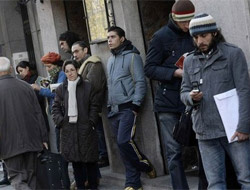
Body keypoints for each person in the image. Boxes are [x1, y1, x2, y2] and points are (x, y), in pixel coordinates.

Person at [181, 13, 250, 189]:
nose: (199, 41)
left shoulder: (233, 54)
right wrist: (190, 98)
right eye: (196, 37)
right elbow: (183, 91)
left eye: (203, 36)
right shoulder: (189, 61)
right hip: (205, 133)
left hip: (234, 131)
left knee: (246, 179)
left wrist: (244, 126)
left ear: (214, 33)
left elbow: (244, 91)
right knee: (215, 183)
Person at [144, 0, 195, 189]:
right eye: (183, 22)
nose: (187, 26)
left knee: (203, 146)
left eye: (190, 21)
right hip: (168, 102)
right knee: (174, 151)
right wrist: (175, 72)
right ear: (174, 18)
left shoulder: (196, 32)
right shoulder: (160, 37)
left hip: (193, 99)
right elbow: (149, 68)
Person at [107, 26, 156, 190]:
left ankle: (143, 166)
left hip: (128, 107)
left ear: (122, 38)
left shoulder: (133, 57)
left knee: (124, 141)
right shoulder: (111, 60)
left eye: (112, 37)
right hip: (114, 109)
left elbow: (140, 82)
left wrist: (136, 104)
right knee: (122, 148)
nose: (109, 40)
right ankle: (134, 183)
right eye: (108, 38)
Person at [0, 57, 48, 189]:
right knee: (32, 176)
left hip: (8, 144)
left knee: (17, 178)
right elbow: (38, 113)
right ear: (10, 69)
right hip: (31, 139)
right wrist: (43, 137)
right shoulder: (26, 87)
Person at [52, 59, 99, 189]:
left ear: (77, 70)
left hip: (85, 128)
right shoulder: (61, 89)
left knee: (90, 162)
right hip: (69, 129)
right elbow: (55, 108)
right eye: (67, 71)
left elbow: (95, 106)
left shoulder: (88, 86)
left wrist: (91, 121)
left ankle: (94, 187)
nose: (70, 73)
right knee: (76, 164)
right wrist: (61, 121)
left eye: (72, 70)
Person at [31, 52, 70, 188]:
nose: (47, 69)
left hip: (63, 116)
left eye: (48, 66)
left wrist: (40, 89)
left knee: (65, 148)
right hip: (57, 115)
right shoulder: (54, 76)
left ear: (55, 65)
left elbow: (57, 93)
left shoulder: (62, 75)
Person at [72, 41, 109, 167]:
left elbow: (92, 85)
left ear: (85, 50)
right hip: (87, 106)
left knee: (98, 131)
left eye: (77, 51)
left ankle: (103, 156)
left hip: (94, 105)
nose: (74, 55)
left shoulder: (93, 63)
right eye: (73, 52)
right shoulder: (84, 64)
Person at [16, 60, 50, 132]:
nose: (20, 73)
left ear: (27, 68)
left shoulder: (39, 78)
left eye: (21, 71)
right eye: (19, 72)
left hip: (41, 112)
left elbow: (49, 92)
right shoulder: (22, 83)